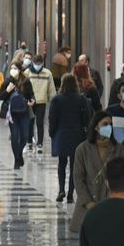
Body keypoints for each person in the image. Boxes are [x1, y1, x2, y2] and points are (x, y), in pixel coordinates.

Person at [69, 110, 123, 236]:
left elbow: (122, 177)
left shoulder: (119, 149)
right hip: (88, 206)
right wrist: (88, 202)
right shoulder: (82, 149)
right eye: (105, 124)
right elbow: (78, 178)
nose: (108, 127)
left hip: (111, 205)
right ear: (96, 127)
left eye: (110, 124)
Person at [49, 74, 93, 203]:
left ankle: (61, 189)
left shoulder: (56, 99)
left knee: (61, 164)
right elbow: (87, 118)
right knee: (74, 166)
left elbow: (52, 119)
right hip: (77, 135)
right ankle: (70, 194)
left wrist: (52, 133)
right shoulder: (81, 99)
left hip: (61, 135)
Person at [24, 55, 55, 153]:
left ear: (42, 63)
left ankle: (40, 143)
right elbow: (23, 87)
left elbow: (51, 89)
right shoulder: (27, 73)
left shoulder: (47, 73)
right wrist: (25, 99)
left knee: (40, 123)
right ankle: (29, 141)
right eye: (36, 64)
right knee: (29, 122)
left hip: (41, 101)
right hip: (30, 101)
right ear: (33, 63)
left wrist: (53, 101)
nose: (37, 65)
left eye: (39, 64)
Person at [6, 79, 31, 170]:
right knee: (14, 136)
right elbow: (1, 96)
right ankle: (17, 158)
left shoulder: (26, 80)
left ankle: (19, 152)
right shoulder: (8, 81)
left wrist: (31, 101)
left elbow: (31, 95)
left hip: (24, 113)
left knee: (25, 136)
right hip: (12, 114)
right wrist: (7, 90)